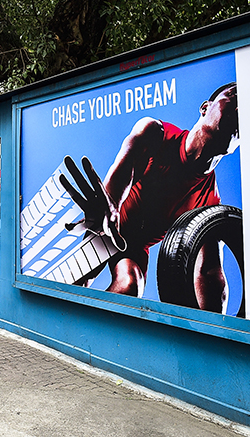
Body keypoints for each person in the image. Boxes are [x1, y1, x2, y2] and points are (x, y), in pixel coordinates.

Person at [59, 81, 239, 312]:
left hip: (134, 248)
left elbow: (209, 273)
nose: (240, 110)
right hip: (107, 225)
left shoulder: (210, 203)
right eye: (234, 96)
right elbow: (123, 169)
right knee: (77, 279)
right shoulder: (155, 133)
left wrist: (217, 332)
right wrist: (110, 204)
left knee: (130, 286)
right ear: (205, 108)